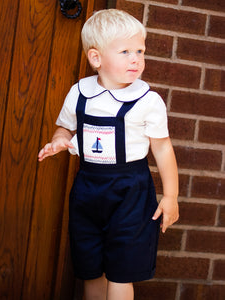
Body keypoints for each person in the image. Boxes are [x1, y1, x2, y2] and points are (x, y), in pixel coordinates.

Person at [38, 9, 179, 300]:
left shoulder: (147, 100)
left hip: (130, 190)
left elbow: (162, 147)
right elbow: (65, 128)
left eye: (140, 50)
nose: (136, 58)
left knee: (121, 269)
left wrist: (171, 196)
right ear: (96, 58)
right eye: (125, 51)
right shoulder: (80, 92)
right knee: (91, 267)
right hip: (89, 188)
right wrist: (59, 142)